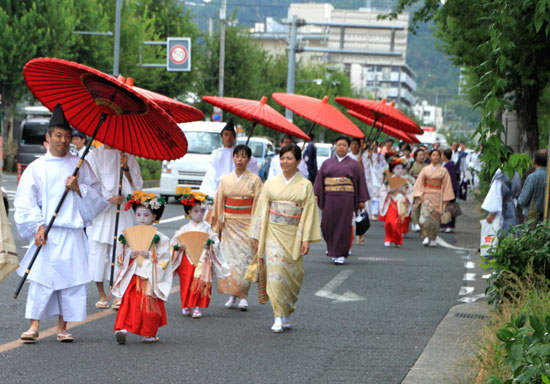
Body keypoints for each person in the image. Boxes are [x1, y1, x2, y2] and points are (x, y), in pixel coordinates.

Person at [15, 104, 107, 343]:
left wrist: (79, 188)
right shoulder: (36, 168)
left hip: (72, 232)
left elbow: (98, 195)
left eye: (68, 136)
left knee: (70, 282)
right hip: (47, 231)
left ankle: (62, 326)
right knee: (41, 279)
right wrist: (37, 225)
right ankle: (34, 325)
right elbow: (25, 200)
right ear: (48, 137)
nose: (64, 140)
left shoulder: (80, 165)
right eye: (59, 135)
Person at [249, 144, 321, 333]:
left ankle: (287, 312)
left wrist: (306, 238)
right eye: (282, 158)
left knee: (292, 276)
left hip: (293, 234)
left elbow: (309, 213)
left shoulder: (305, 185)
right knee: (276, 274)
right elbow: (261, 210)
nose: (285, 162)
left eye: (289, 158)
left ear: (298, 161)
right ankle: (278, 316)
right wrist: (257, 235)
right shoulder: (271, 183)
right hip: (273, 232)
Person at [112, 192, 175, 344]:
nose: (141, 218)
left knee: (148, 306)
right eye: (138, 214)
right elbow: (120, 256)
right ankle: (123, 329)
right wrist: (129, 255)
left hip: (149, 276)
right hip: (134, 273)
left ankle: (149, 333)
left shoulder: (161, 238)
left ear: (153, 216)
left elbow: (165, 259)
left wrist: (151, 255)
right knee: (128, 303)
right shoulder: (128, 235)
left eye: (146, 215)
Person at [86, 145, 143, 309]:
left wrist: (125, 167)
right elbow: (90, 183)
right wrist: (109, 197)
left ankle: (118, 292)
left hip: (121, 210)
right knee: (98, 252)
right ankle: (102, 294)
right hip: (102, 210)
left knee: (121, 252)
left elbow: (137, 184)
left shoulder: (128, 154)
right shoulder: (94, 155)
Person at [213, 145, 263, 310]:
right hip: (229, 224)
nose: (240, 160)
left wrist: (256, 228)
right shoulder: (225, 180)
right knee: (229, 260)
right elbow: (219, 203)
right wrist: (217, 226)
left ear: (249, 160)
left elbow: (258, 205)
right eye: (237, 156)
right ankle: (232, 295)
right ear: (233, 158)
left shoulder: (255, 181)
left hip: (246, 224)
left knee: (244, 260)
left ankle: (243, 296)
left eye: (243, 156)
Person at [314, 136, 369, 265]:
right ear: (335, 146)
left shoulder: (354, 164)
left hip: (346, 198)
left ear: (348, 147)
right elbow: (319, 180)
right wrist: (316, 194)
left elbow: (360, 181)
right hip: (329, 197)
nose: (341, 147)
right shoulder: (327, 163)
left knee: (343, 225)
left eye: (344, 145)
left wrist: (361, 199)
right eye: (339, 145)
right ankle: (331, 248)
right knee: (326, 224)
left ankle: (340, 253)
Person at [172, 192, 220, 319]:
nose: (199, 214)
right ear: (189, 212)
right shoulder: (184, 229)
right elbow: (174, 243)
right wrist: (178, 247)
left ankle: (197, 306)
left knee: (200, 282)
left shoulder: (207, 228)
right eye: (196, 211)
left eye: (202, 211)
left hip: (202, 258)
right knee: (186, 282)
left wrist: (209, 244)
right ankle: (186, 304)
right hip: (186, 259)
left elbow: (215, 240)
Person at [200, 120, 259, 196]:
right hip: (220, 188)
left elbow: (251, 166)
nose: (228, 137)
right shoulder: (216, 154)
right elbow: (211, 175)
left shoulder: (239, 152)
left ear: (234, 137)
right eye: (226, 134)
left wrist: (245, 155)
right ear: (222, 136)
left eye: (231, 135)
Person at [413, 149, 455, 247]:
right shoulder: (425, 169)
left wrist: (446, 198)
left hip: (438, 195)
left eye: (437, 155)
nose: (435, 157)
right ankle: (426, 236)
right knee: (424, 218)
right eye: (433, 155)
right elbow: (420, 182)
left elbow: (447, 185)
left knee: (435, 219)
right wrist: (420, 194)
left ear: (440, 157)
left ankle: (433, 238)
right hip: (427, 194)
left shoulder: (443, 170)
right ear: (430, 157)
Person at [481, 147, 522, 233]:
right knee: (511, 232)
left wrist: (492, 214)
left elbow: (496, 194)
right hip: (512, 206)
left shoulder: (501, 173)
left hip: (502, 208)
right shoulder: (515, 172)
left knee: (501, 233)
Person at [379, 156, 412, 247]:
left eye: (401, 168)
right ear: (393, 169)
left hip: (400, 202)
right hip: (391, 201)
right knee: (389, 222)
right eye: (397, 168)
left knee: (397, 223)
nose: (400, 170)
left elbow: (410, 192)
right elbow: (382, 191)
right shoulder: (388, 181)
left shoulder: (405, 181)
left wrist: (405, 196)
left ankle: (397, 239)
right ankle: (388, 238)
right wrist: (390, 192)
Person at [518, 149, 548, 222]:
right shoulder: (548, 176)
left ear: (534, 161)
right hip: (547, 219)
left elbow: (523, 201)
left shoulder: (532, 177)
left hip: (532, 218)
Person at [362, 141, 386, 221]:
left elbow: (384, 167)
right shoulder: (365, 155)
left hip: (377, 177)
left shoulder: (380, 156)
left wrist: (378, 161)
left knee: (376, 196)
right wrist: (369, 158)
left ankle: (374, 213)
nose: (374, 147)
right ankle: (367, 212)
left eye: (375, 146)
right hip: (368, 177)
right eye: (372, 146)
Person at [440, 149, 459, 233]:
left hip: (450, 188)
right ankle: (445, 224)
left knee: (450, 207)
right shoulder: (447, 165)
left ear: (444, 156)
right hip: (447, 188)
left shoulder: (450, 165)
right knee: (445, 207)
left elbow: (450, 179)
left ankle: (449, 226)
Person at [409, 148, 427, 232]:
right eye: (420, 155)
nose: (422, 157)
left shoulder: (426, 166)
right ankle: (415, 223)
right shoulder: (412, 166)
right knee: (416, 205)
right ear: (415, 157)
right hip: (415, 187)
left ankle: (420, 222)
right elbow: (408, 176)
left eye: (423, 155)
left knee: (423, 206)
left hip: (424, 187)